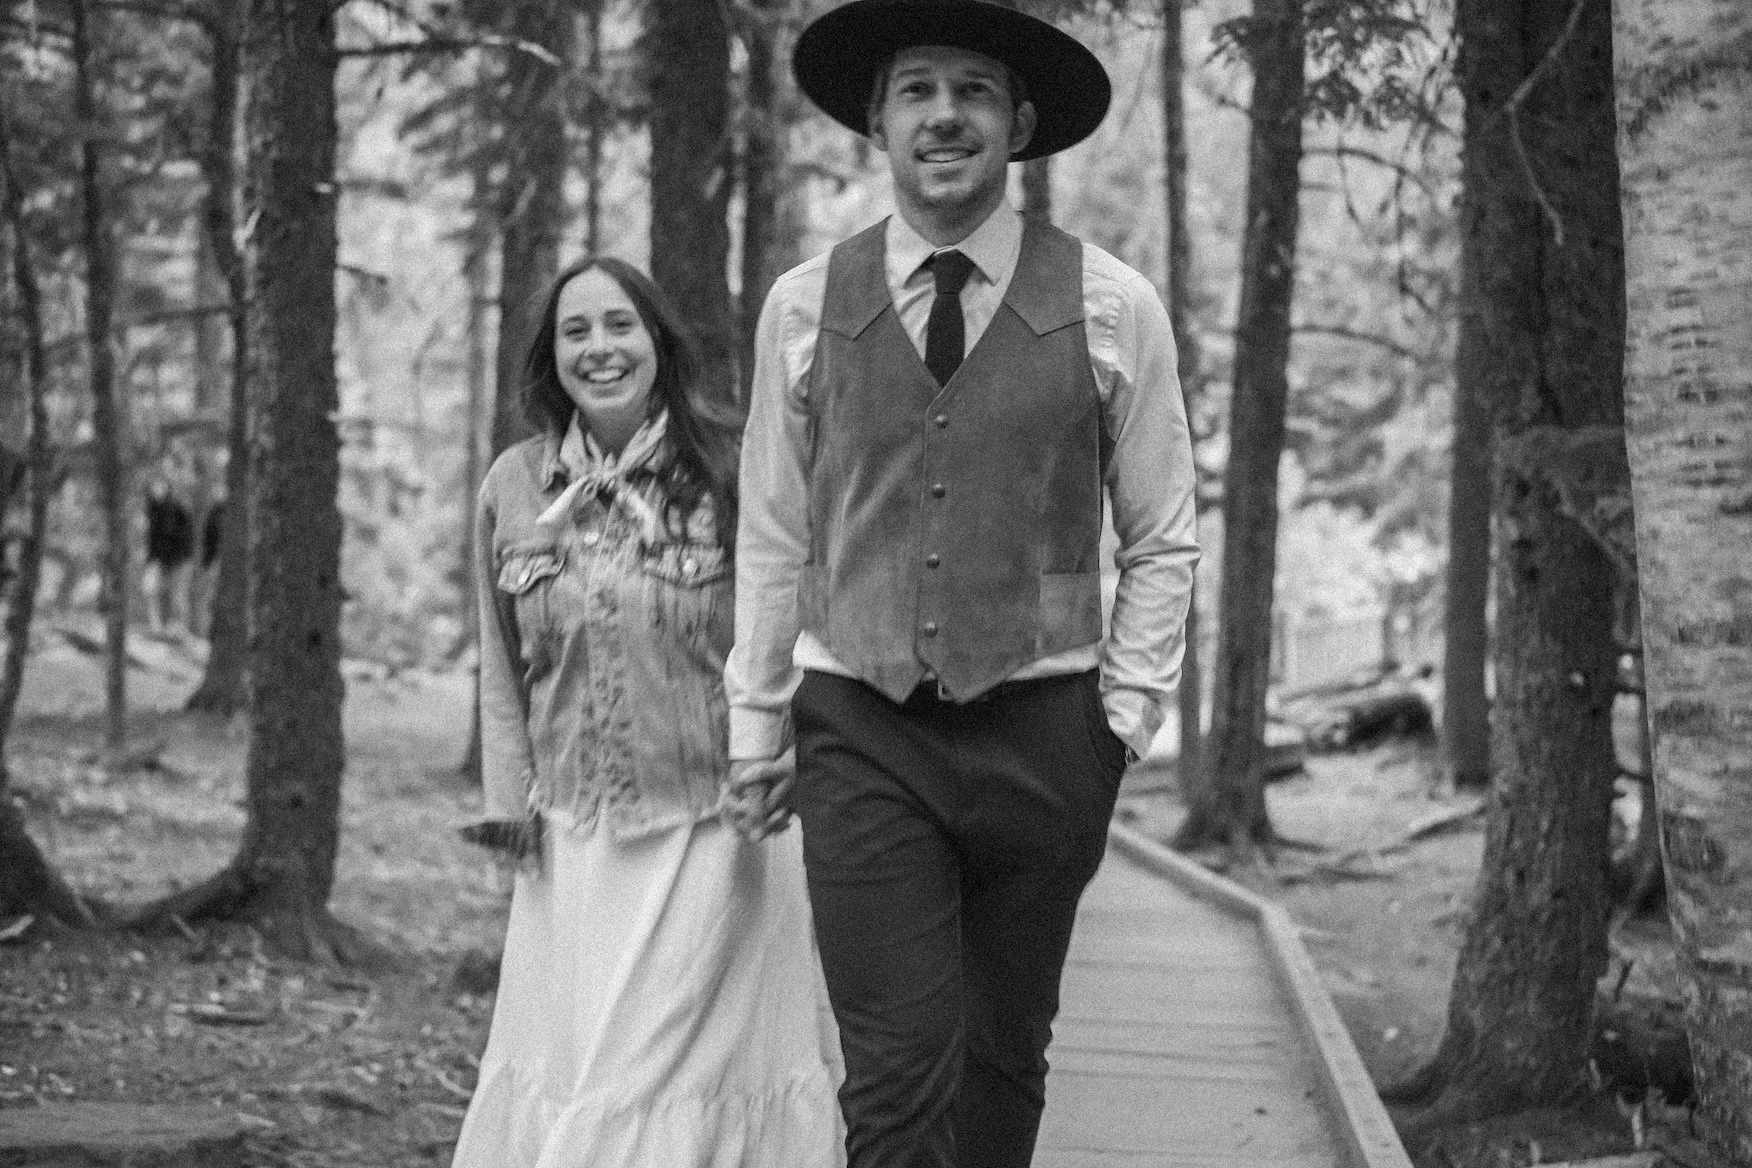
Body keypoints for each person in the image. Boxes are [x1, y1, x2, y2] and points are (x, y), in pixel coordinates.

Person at [725, 1, 1200, 1164]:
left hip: (1046, 732)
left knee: (1001, 1053)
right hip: (860, 726)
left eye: (975, 91)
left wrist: (1121, 724)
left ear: (1020, 122)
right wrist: (754, 724)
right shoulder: (801, 305)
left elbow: (1164, 533)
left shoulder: (1110, 304)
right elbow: (774, 528)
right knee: (893, 1071)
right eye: (919, 89)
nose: (947, 115)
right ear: (876, 122)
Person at [452, 257, 843, 1168]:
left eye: (619, 324)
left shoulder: (735, 467)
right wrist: (510, 807)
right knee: (583, 1071)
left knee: (657, 1082)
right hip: (575, 849)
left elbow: (805, 631)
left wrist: (787, 765)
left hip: (718, 836)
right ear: (550, 361)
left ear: (658, 342)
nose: (600, 348)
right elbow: (502, 670)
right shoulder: (515, 485)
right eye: (575, 331)